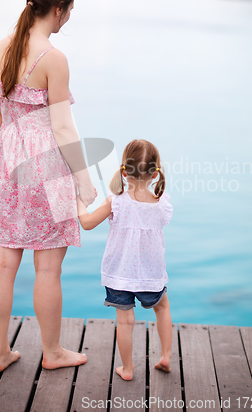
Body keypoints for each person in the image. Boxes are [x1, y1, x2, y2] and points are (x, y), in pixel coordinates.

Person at [0, 0, 96, 372]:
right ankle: (53, 352)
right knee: (47, 266)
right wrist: (84, 180)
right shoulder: (54, 59)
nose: (68, 19)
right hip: (44, 163)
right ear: (58, 8)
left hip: (8, 159)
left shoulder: (1, 47)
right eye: (70, 11)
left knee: (3, 261)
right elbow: (61, 127)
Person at [77, 139, 173, 381]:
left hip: (119, 273)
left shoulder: (115, 200)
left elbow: (87, 223)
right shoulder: (162, 203)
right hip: (151, 274)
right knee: (162, 308)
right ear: (154, 173)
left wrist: (78, 202)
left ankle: (127, 369)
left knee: (125, 320)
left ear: (124, 170)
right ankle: (166, 356)